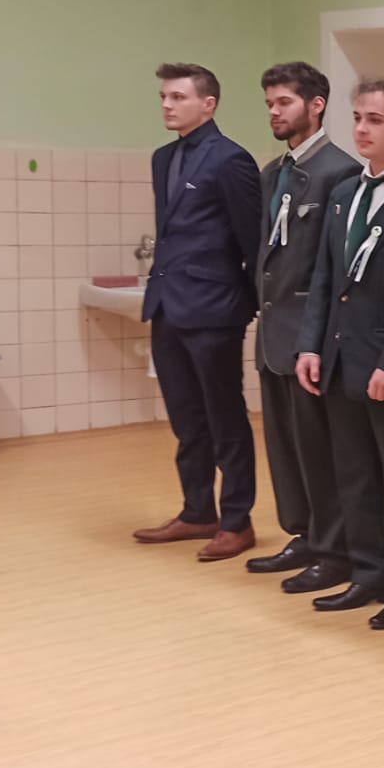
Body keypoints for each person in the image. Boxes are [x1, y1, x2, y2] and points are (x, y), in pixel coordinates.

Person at [295, 78, 384, 628]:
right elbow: (325, 279)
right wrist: (310, 345)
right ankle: (369, 572)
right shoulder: (343, 195)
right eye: (357, 117)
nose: (361, 128)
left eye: (375, 119)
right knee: (354, 473)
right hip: (338, 357)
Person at [133, 63, 263, 563]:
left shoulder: (231, 159)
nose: (167, 105)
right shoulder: (164, 158)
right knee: (186, 417)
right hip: (168, 305)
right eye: (164, 96)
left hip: (215, 309)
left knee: (225, 417)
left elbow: (252, 239)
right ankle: (197, 511)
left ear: (208, 104)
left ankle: (237, 521)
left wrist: (245, 303)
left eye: (178, 97)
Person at [248, 62, 361, 592]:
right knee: (285, 446)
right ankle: (305, 534)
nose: (274, 112)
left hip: (310, 336)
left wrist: (319, 338)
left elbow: (334, 267)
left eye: (284, 102)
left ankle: (336, 548)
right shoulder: (273, 171)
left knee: (320, 448)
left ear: (316, 105)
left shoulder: (341, 171)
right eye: (269, 103)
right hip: (273, 331)